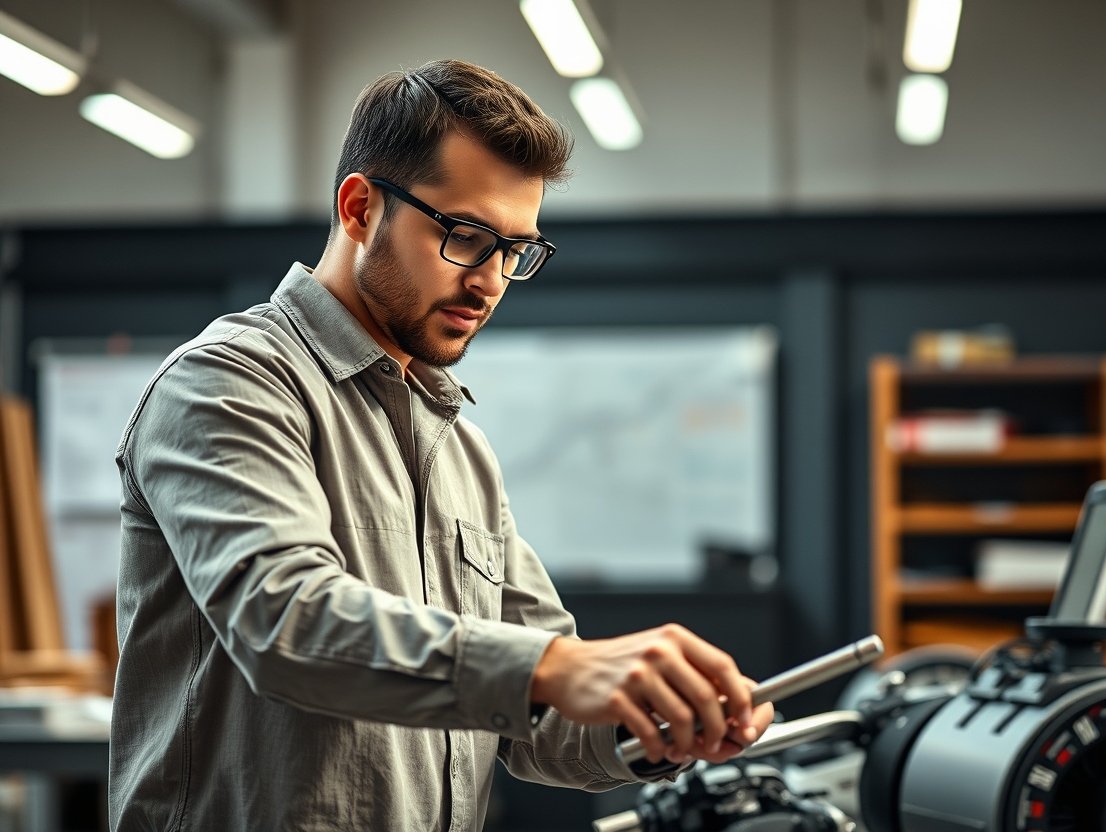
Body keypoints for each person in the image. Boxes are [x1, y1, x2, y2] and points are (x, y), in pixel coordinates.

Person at [108, 59, 774, 831]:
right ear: (359, 209)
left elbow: (542, 723)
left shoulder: (458, 446)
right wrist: (554, 668)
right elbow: (283, 618)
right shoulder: (228, 383)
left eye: (515, 251)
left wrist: (657, 722)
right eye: (465, 236)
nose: (490, 281)